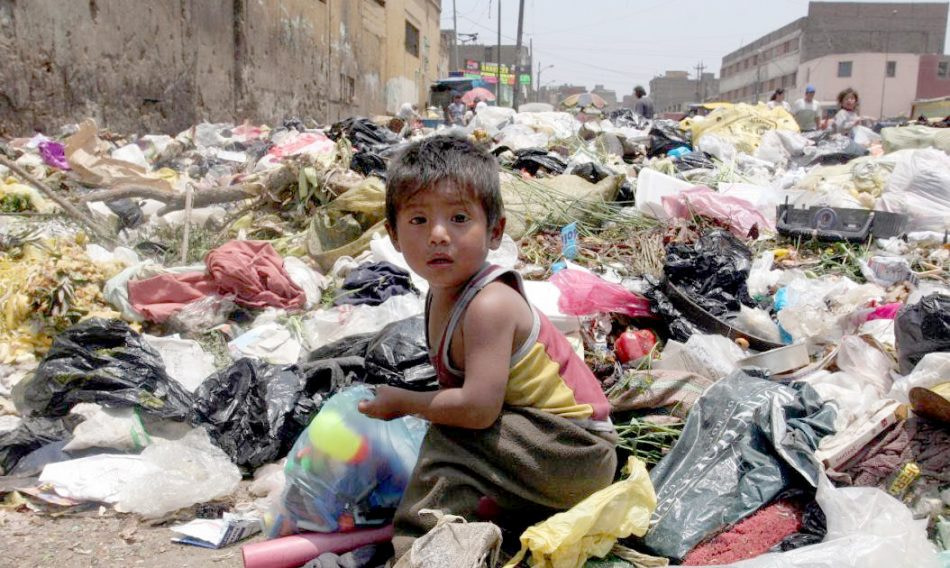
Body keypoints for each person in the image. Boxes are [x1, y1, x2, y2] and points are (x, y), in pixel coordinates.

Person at [360, 135, 617, 556]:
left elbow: (478, 411)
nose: (438, 235)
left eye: (459, 218)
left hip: (577, 455)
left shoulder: (489, 304)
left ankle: (422, 554)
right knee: (448, 428)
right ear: (393, 234)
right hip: (543, 449)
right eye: (419, 221)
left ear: (494, 231)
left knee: (451, 439)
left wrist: (406, 402)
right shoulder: (440, 292)